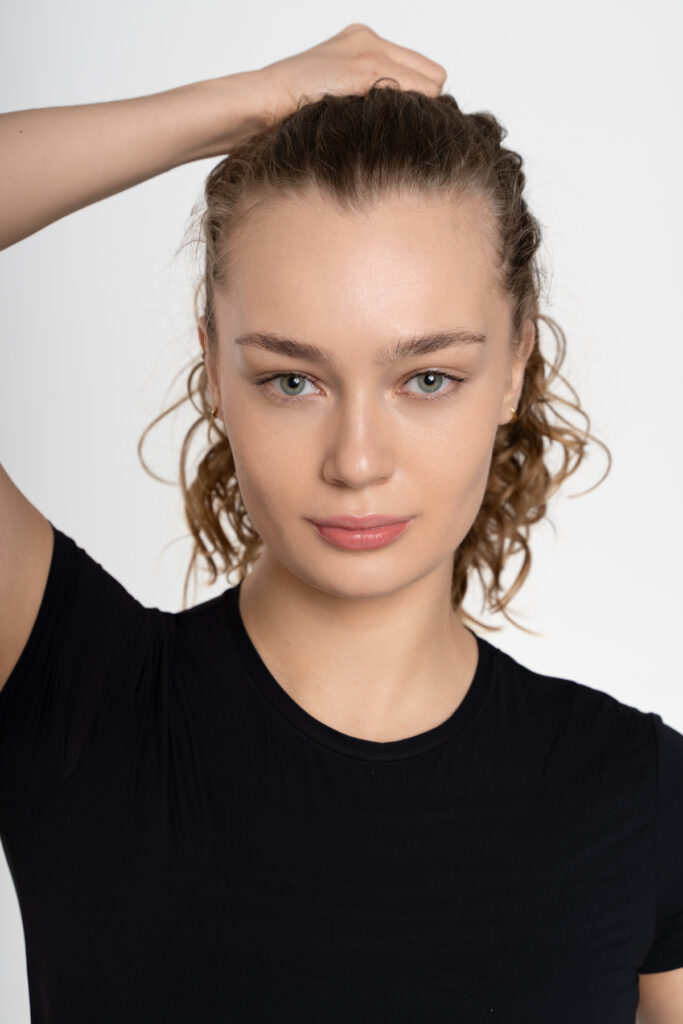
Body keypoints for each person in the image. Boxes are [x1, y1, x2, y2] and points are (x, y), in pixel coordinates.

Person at [0, 22, 681, 1024]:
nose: (356, 461)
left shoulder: (638, 797)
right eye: (292, 379)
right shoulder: (81, 705)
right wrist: (236, 105)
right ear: (213, 367)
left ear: (513, 367)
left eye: (426, 378)